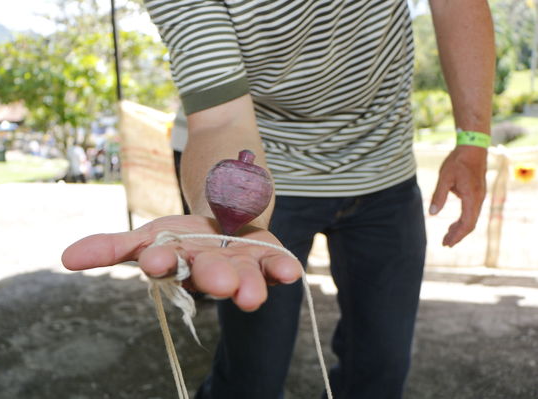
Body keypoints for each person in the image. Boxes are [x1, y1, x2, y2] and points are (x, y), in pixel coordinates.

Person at [62, 1, 495, 398]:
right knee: (253, 374)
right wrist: (223, 221)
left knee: (383, 364)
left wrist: (473, 140)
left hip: (383, 166)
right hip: (270, 167)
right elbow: (223, 119)